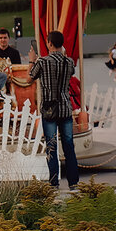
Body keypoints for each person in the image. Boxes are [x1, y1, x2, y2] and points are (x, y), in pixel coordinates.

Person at [28, 30, 80, 190]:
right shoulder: (69, 62)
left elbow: (30, 77)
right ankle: (73, 183)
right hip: (65, 107)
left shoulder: (42, 62)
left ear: (49, 44)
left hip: (49, 108)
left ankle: (54, 182)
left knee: (51, 146)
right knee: (69, 146)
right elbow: (71, 72)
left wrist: (32, 60)